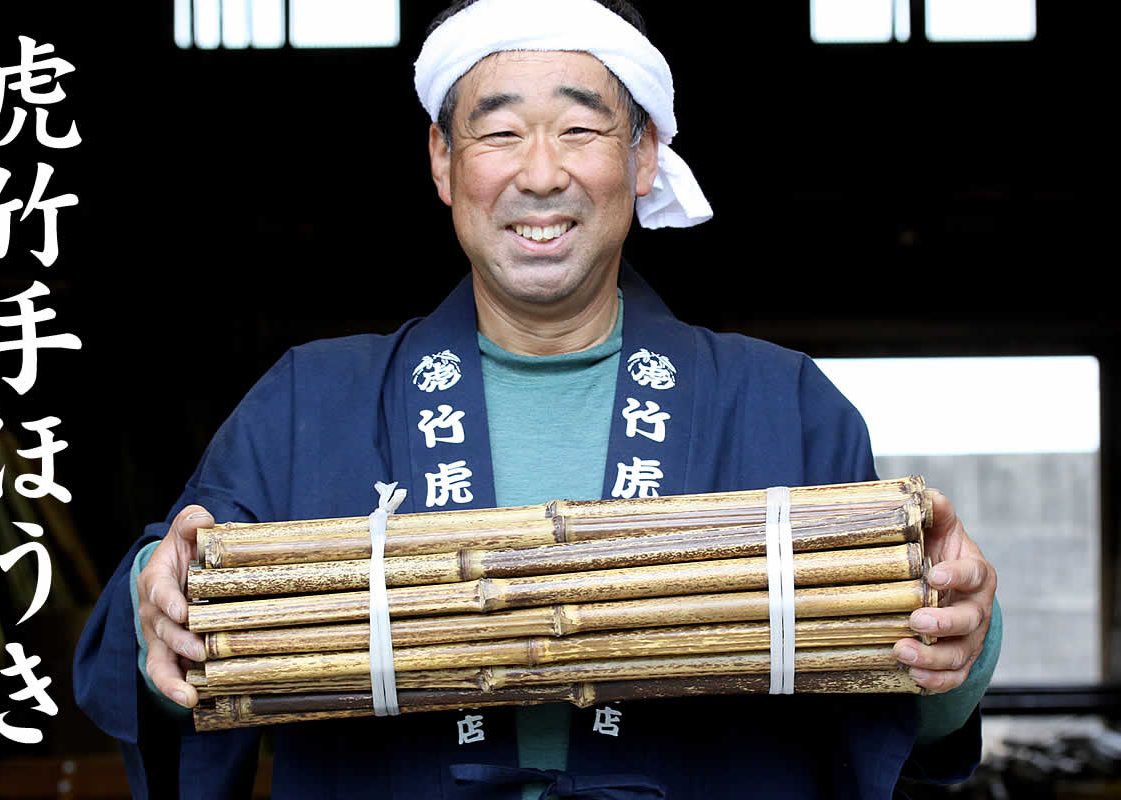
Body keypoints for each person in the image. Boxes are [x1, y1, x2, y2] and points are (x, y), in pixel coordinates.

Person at [74, 0, 1001, 797]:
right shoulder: (307, 403)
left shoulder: (780, 402)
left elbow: (897, 693)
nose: (542, 172)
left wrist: (958, 639)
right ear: (443, 161)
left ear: (643, 156)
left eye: (583, 127)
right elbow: (145, 651)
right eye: (500, 129)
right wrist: (165, 597)